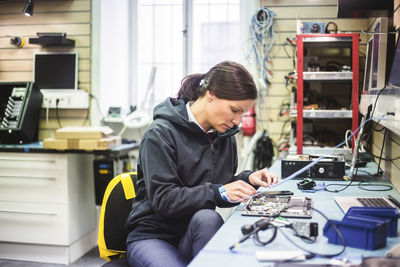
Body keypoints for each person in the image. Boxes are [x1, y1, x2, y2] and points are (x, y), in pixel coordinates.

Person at [126, 61, 278, 267]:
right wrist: (219, 192)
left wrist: (247, 179)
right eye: (234, 110)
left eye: (242, 114)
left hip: (193, 231)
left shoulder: (225, 136)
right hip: (154, 236)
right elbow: (164, 200)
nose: (237, 121)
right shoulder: (160, 134)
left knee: (208, 217)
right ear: (211, 94)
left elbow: (218, 185)